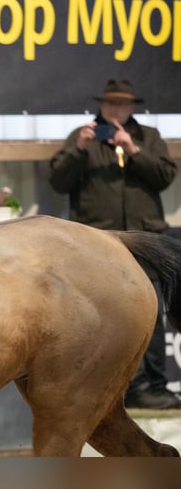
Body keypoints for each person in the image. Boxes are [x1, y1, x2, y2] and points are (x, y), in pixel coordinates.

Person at [48, 78, 181, 410]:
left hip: (145, 238)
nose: (115, 110)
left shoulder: (148, 137)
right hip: (95, 242)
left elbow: (165, 176)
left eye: (122, 104)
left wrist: (133, 150)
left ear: (132, 106)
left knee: (149, 312)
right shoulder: (83, 136)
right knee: (96, 315)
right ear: (102, 105)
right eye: (110, 104)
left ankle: (151, 385)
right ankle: (102, 386)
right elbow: (58, 181)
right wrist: (79, 150)